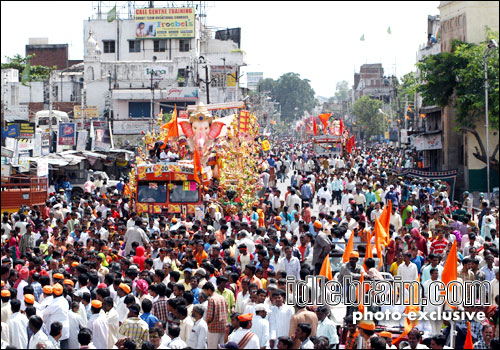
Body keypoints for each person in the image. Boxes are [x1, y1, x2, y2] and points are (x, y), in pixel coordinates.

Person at [203, 282, 228, 348]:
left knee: (212, 347)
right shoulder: (222, 297)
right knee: (221, 347)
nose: (205, 293)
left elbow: (209, 316)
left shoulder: (211, 299)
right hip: (223, 327)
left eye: (205, 291)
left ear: (209, 290)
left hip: (213, 328)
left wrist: (207, 322)